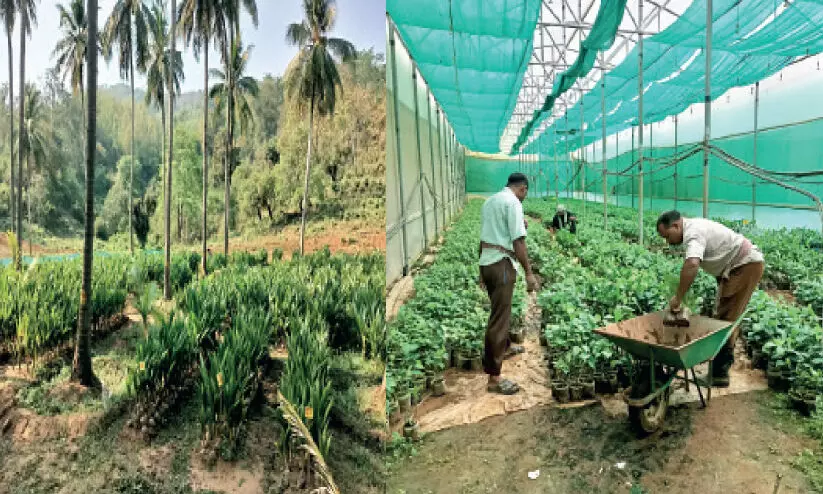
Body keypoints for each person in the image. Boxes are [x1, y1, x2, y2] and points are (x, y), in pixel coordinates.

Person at [656, 210, 765, 387]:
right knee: (724, 316)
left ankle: (719, 375)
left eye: (667, 236)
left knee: (725, 321)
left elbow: (692, 264)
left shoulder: (693, 233)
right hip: (737, 266)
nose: (668, 241)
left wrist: (678, 298)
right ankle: (719, 370)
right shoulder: (693, 228)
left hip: (744, 265)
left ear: (676, 225)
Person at [478, 173, 540, 395]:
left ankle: (504, 347)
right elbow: (518, 241)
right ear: (522, 188)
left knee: (499, 310)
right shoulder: (512, 203)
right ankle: (494, 378)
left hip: (488, 262)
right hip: (502, 265)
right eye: (525, 193)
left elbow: (485, 236)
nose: (524, 197)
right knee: (499, 318)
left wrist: (480, 270)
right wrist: (529, 273)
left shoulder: (490, 201)